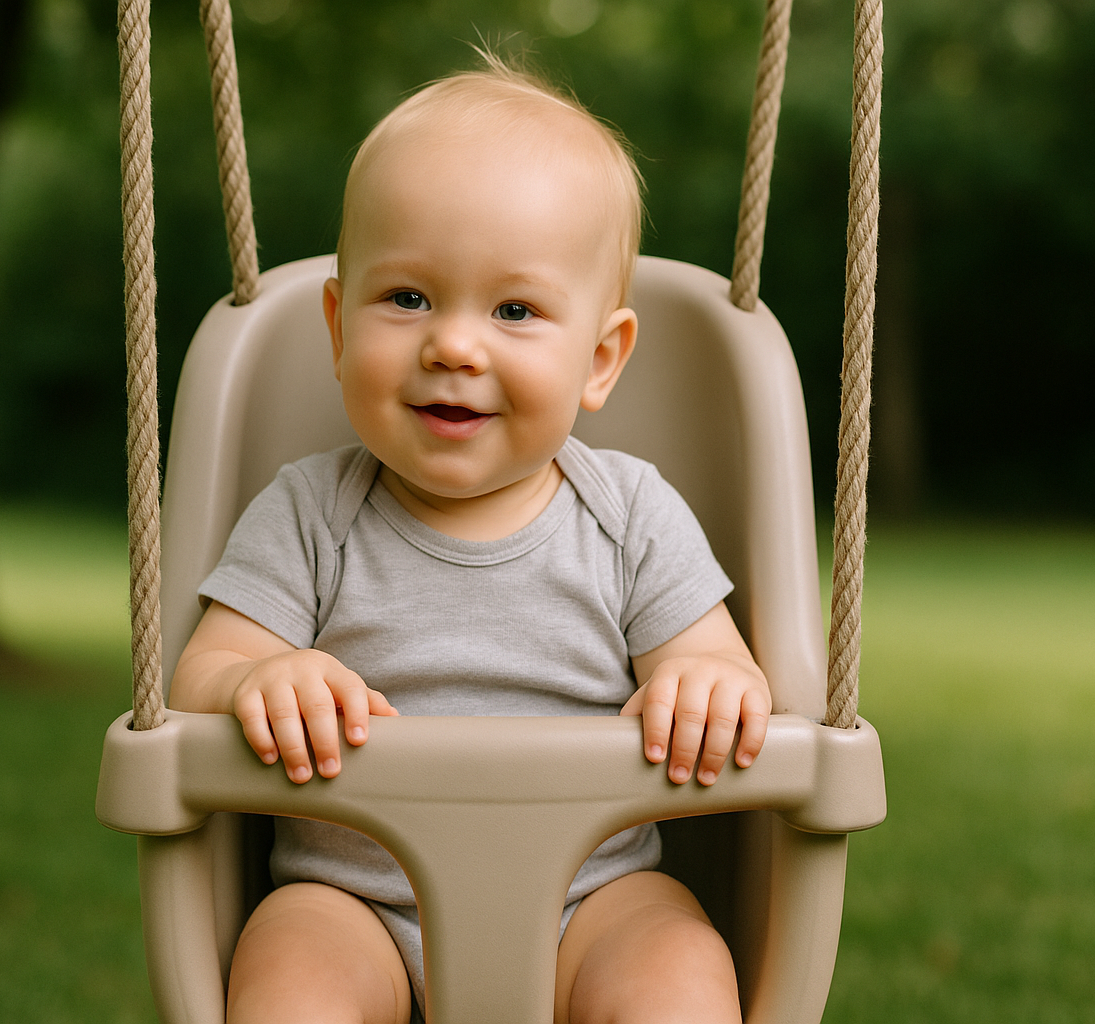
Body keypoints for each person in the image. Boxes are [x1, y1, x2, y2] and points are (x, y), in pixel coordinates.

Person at [169, 56, 771, 1024]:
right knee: (288, 974)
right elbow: (201, 675)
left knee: (678, 964)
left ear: (600, 358)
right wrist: (254, 679)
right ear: (335, 325)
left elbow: (721, 670)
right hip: (353, 898)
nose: (453, 344)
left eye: (515, 310)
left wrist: (706, 685)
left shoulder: (631, 515)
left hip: (594, 896)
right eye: (406, 298)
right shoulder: (311, 511)